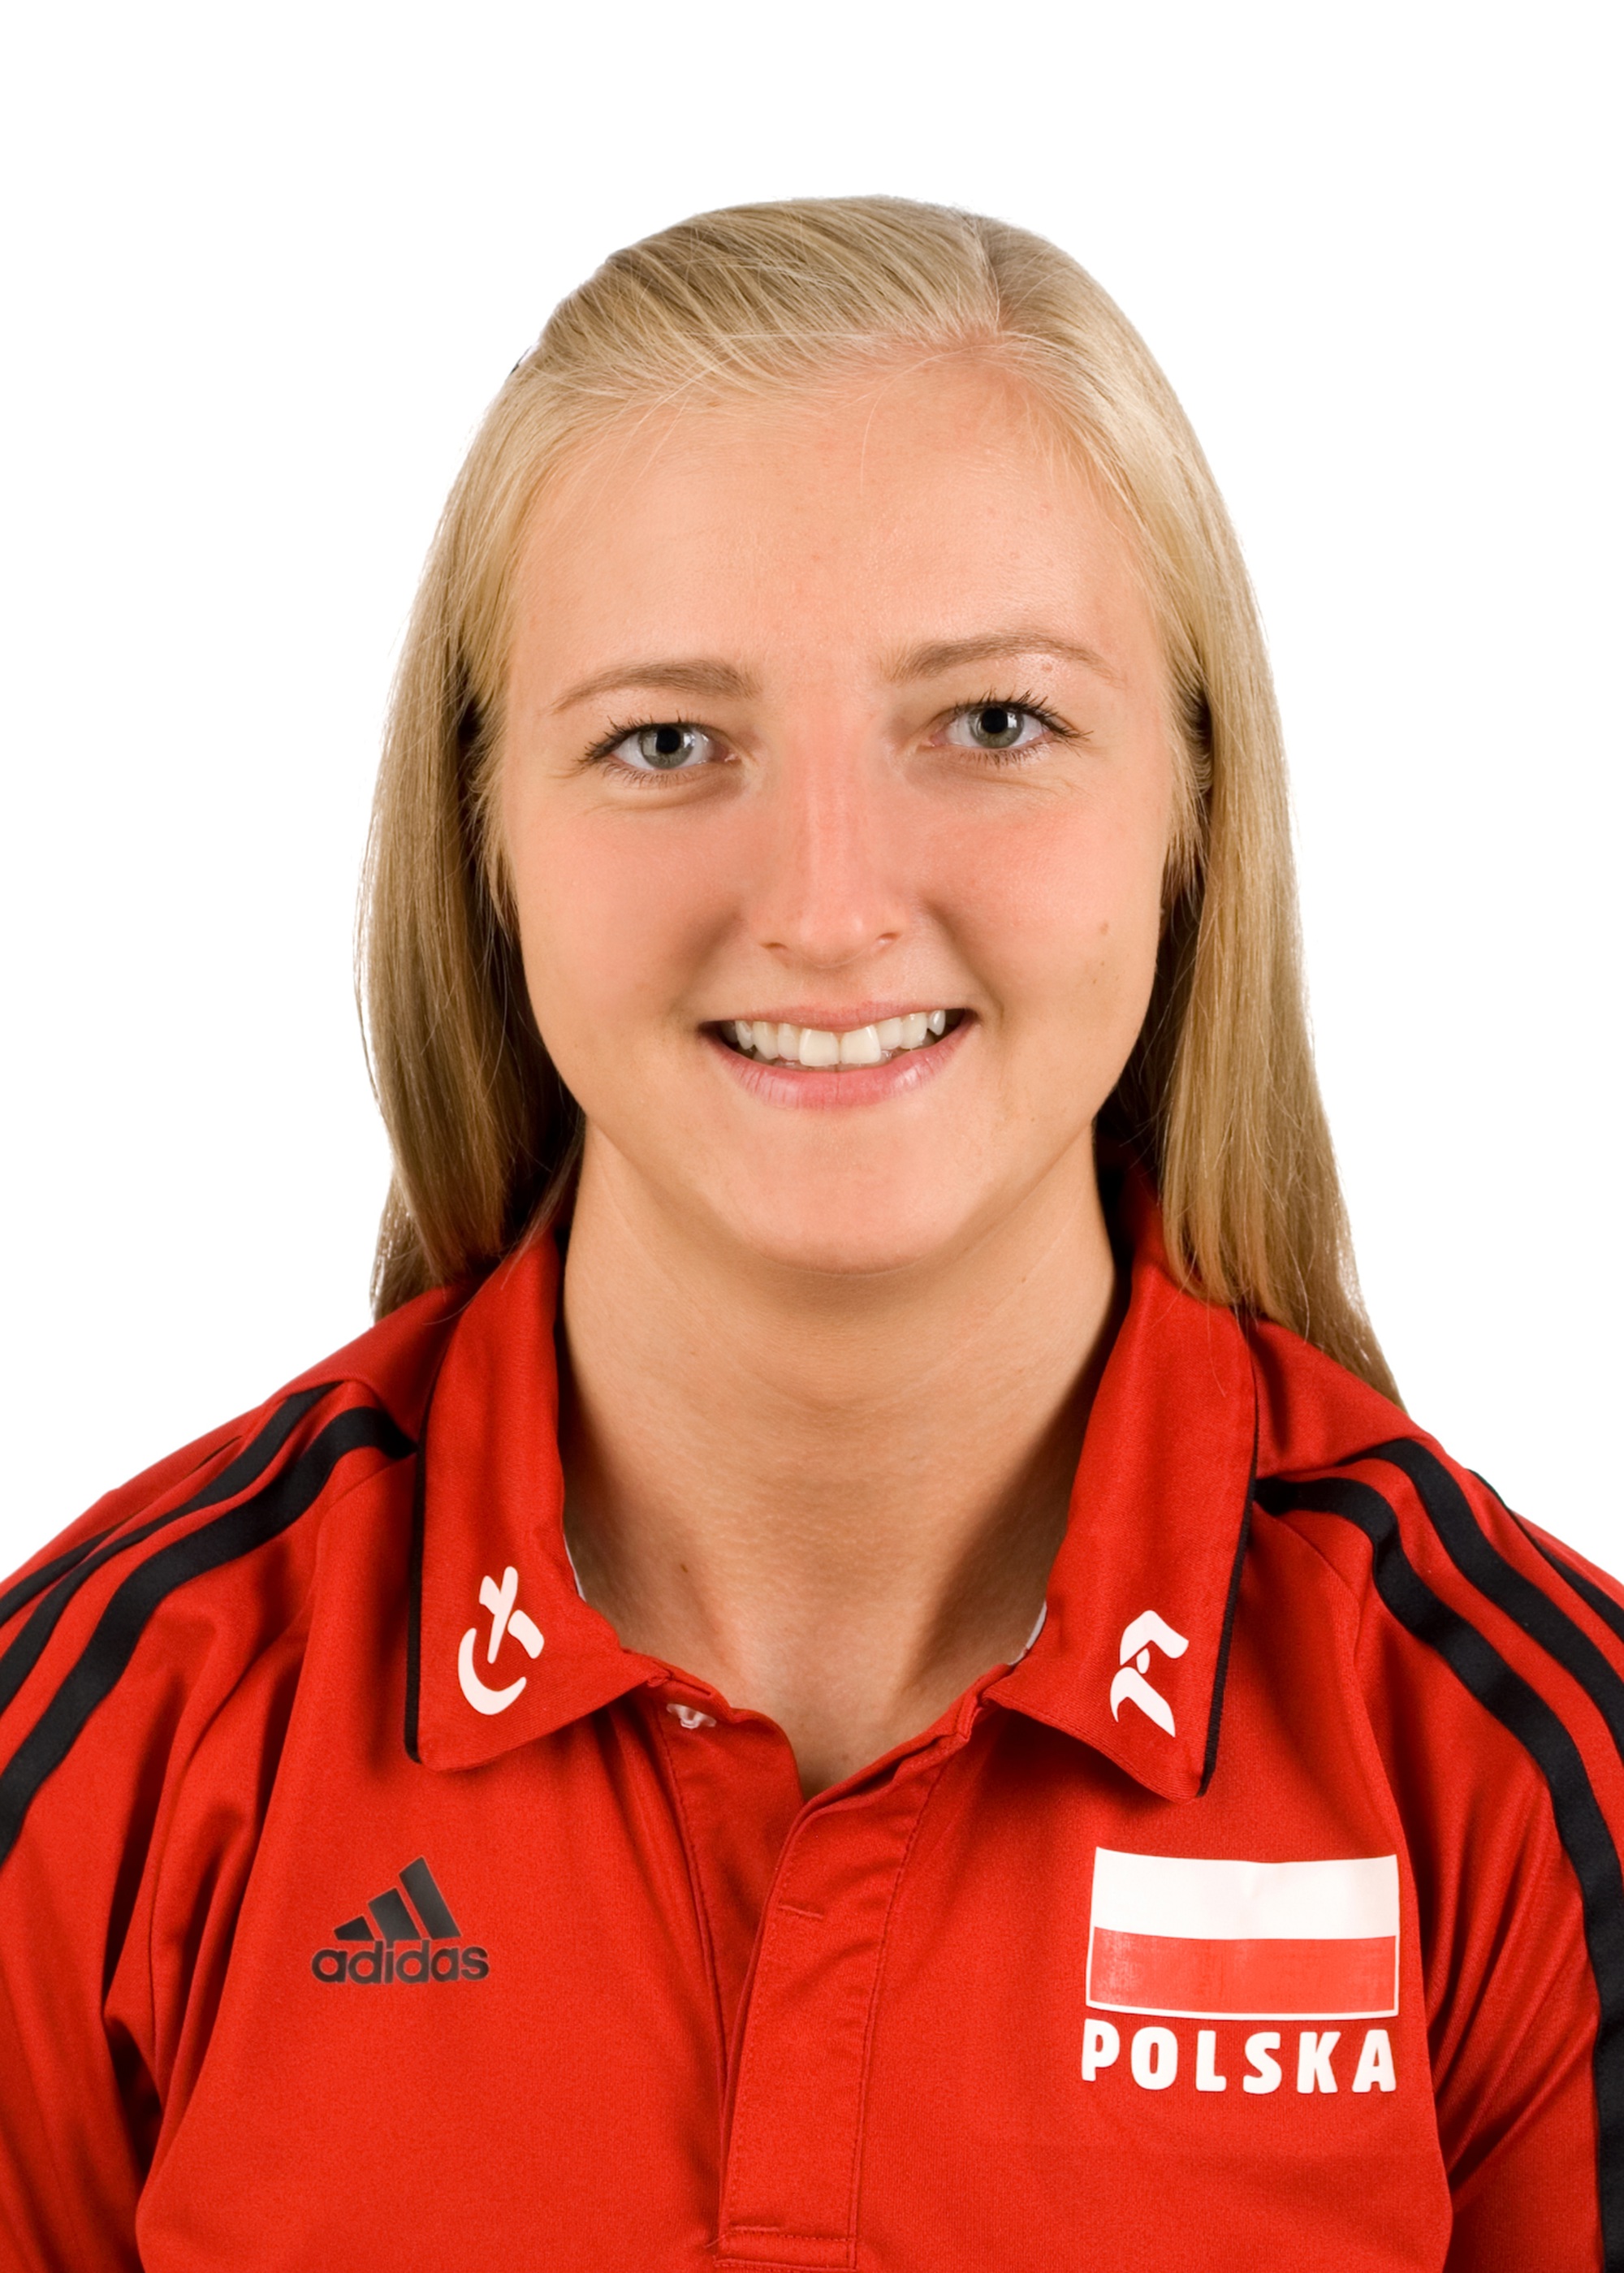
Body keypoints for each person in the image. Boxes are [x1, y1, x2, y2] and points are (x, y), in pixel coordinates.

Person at [0, 197, 1616, 2273]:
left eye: (994, 723)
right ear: (483, 833)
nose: (831, 907)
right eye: (666, 741)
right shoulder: (107, 1754)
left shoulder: (1530, 1785)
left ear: (1193, 800)